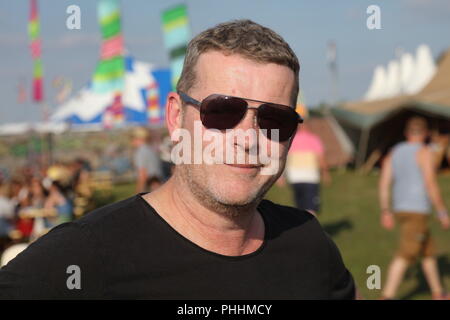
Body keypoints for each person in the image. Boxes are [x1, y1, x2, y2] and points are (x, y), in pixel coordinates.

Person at [0, 20, 355, 299]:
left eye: (275, 120)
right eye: (222, 112)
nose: (248, 140)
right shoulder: (84, 256)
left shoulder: (309, 245)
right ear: (175, 117)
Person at [379, 116, 450, 300]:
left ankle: (437, 293)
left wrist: (385, 210)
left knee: (428, 252)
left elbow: (384, 182)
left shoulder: (394, 152)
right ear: (425, 133)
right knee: (407, 253)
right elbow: (430, 183)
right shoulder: (425, 152)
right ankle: (386, 296)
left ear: (406, 133)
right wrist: (442, 212)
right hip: (417, 209)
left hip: (401, 209)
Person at [282, 106, 331, 215]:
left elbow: (285, 159)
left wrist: (282, 176)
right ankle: (310, 229)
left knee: (300, 206)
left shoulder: (291, 140)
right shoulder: (314, 139)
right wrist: (325, 173)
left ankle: (302, 228)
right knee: (310, 206)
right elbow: (321, 158)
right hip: (310, 177)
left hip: (294, 177)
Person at [132, 127, 163, 193]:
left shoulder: (141, 152)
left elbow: (143, 174)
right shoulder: (151, 149)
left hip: (152, 185)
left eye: (133, 138)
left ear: (138, 139)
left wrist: (137, 193)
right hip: (158, 185)